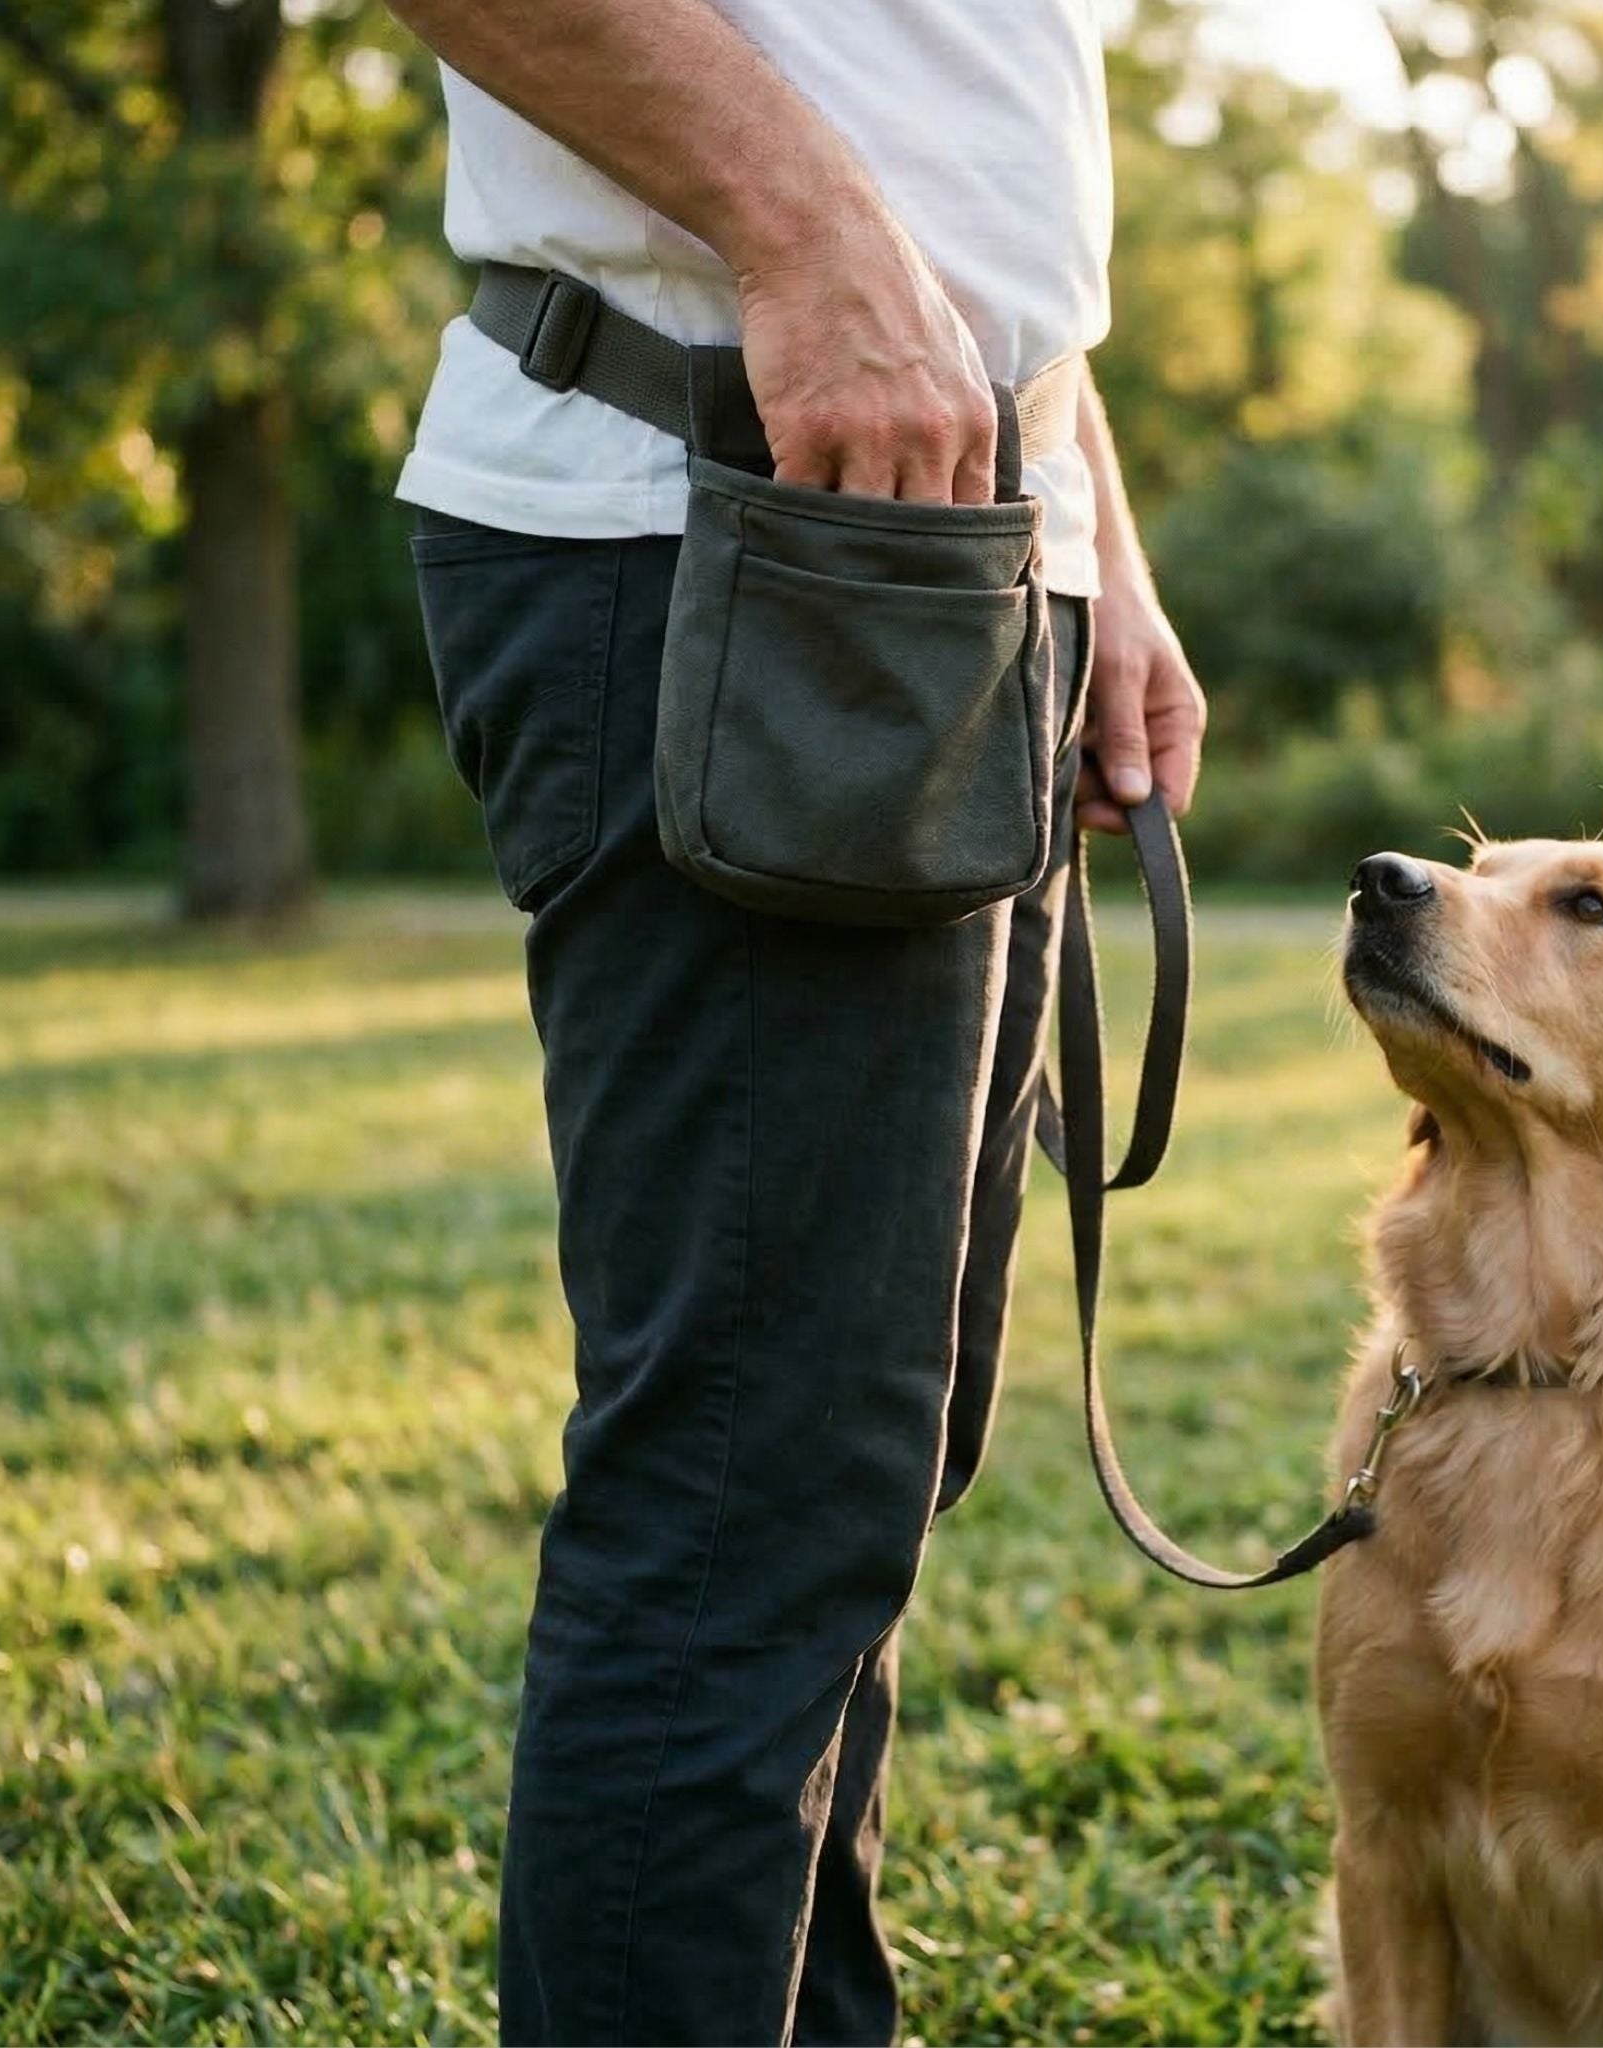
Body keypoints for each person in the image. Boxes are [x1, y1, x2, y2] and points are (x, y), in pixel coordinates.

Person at [385, 3, 1206, 2041]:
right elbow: (857, 209)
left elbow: (963, 124)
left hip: (961, 550)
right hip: (724, 519)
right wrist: (805, 237)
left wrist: (1090, 530)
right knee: (745, 1495)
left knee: (854, 1478)